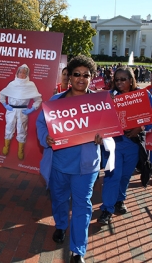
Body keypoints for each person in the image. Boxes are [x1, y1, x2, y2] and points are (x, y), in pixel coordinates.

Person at [36, 55, 104, 263]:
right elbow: (41, 125)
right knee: (58, 199)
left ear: (91, 78)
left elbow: (108, 128)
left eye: (86, 75)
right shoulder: (55, 102)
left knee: (83, 206)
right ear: (69, 76)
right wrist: (46, 138)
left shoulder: (99, 102)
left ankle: (78, 251)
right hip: (60, 164)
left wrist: (103, 137)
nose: (81, 79)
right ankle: (61, 225)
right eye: (77, 74)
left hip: (86, 166)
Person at [97, 66, 152, 225]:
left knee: (125, 175)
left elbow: (149, 117)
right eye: (117, 79)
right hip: (113, 143)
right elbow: (99, 116)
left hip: (133, 144)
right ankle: (107, 209)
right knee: (112, 175)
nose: (119, 82)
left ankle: (119, 200)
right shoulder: (109, 96)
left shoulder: (143, 95)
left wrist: (141, 127)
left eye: (123, 79)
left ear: (131, 80)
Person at [0, 64, 42, 160]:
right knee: (9, 126)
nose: (22, 74)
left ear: (27, 74)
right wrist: (5, 105)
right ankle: (6, 146)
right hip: (11, 110)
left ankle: (20, 150)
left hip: (23, 110)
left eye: (24, 72)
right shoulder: (12, 84)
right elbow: (2, 94)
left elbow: (38, 99)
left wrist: (32, 109)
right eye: (20, 72)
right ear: (17, 73)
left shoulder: (30, 85)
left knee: (22, 129)